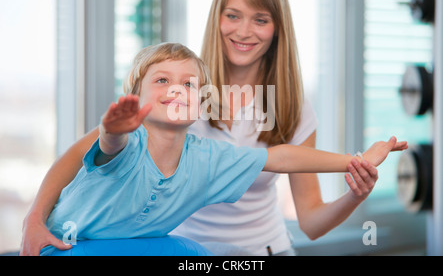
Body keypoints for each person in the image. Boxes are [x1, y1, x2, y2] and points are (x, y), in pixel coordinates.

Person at [20, 0, 391, 256]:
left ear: (277, 29)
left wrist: (355, 185)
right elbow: (92, 150)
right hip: (181, 251)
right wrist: (34, 220)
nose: (244, 31)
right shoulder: (178, 94)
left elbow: (305, 210)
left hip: (266, 250)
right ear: (217, 17)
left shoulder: (291, 107)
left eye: (260, 19)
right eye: (233, 15)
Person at [40, 42, 406, 256]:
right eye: (162, 80)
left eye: (188, 84)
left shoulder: (209, 157)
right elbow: (109, 149)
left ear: (202, 101)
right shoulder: (126, 142)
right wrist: (112, 131)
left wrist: (356, 160)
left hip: (136, 246)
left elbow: (281, 157)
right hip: (66, 245)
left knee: (192, 253)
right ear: (137, 95)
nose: (176, 89)